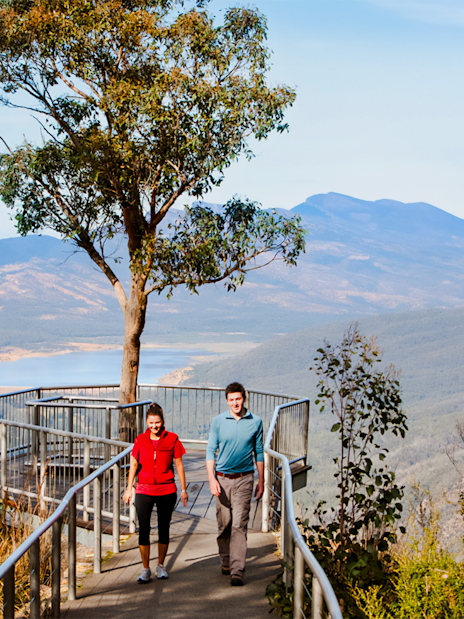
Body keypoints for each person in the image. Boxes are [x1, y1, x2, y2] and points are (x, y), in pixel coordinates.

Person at [206, 382, 264, 586]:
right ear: (227, 401)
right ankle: (225, 559)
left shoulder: (256, 422)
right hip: (222, 478)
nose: (235, 403)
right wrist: (212, 479)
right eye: (231, 400)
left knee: (240, 523)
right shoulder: (219, 421)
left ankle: (237, 569)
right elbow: (210, 451)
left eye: (238, 399)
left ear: (244, 398)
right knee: (225, 524)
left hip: (245, 479)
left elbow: (259, 452)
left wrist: (261, 480)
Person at [123, 403, 188, 583]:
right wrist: (129, 488)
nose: (154, 426)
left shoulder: (172, 439)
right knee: (143, 529)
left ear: (162, 421)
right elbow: (134, 465)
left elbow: (179, 464)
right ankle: (145, 569)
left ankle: (160, 565)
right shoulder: (140, 440)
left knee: (163, 528)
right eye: (151, 423)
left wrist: (183, 489)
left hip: (167, 490)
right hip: (144, 489)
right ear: (146, 422)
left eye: (157, 422)